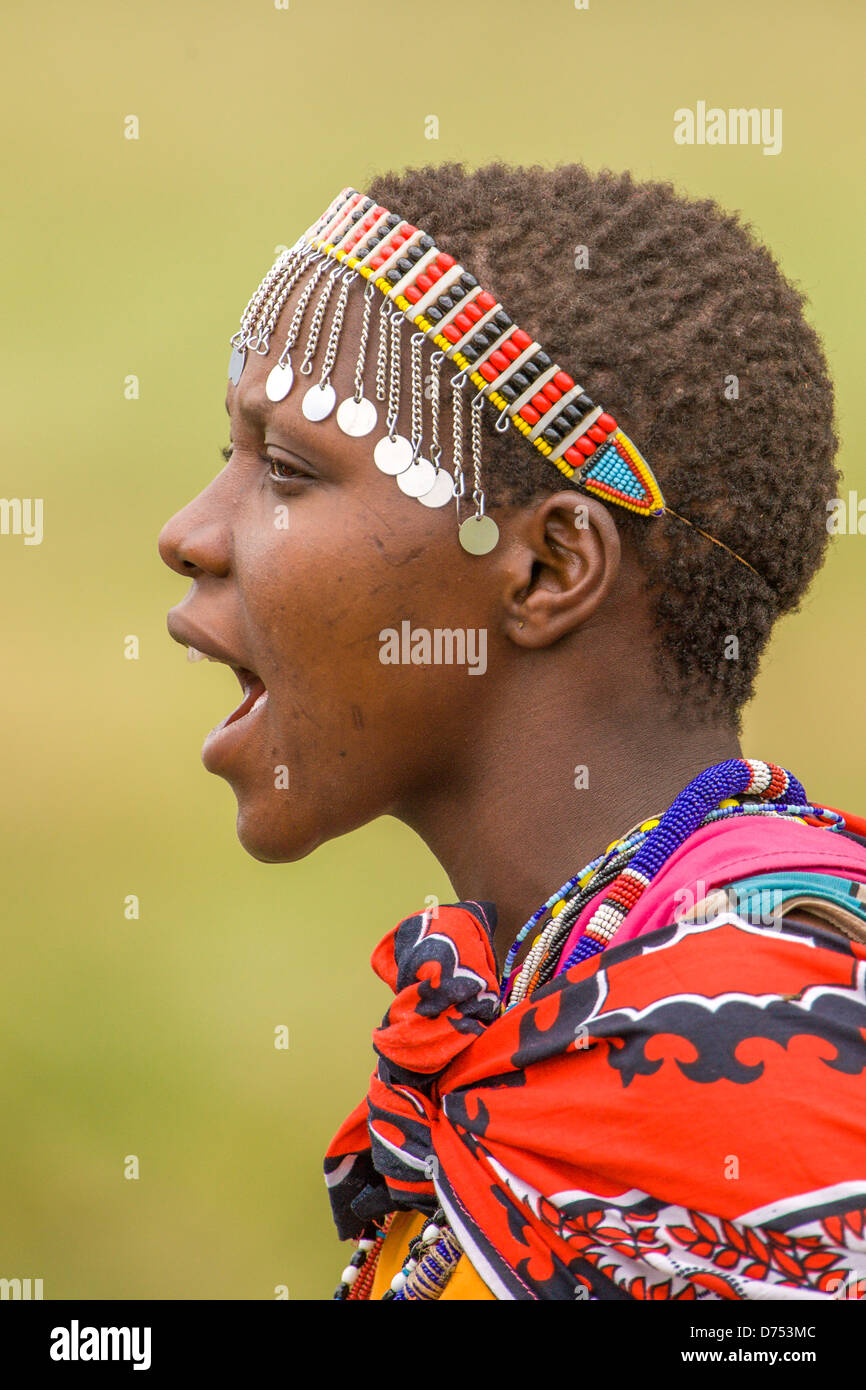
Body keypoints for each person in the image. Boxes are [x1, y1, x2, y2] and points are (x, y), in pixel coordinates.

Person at [158, 162, 866, 1301]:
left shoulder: (756, 1093)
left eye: (287, 471)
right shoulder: (572, 990)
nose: (188, 532)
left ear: (545, 568)